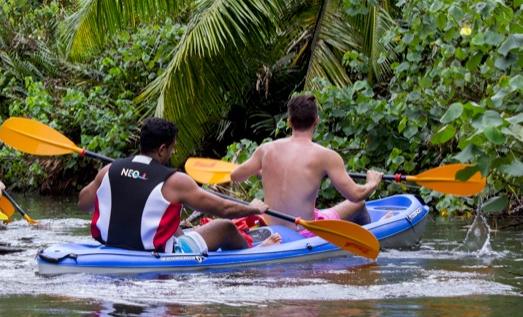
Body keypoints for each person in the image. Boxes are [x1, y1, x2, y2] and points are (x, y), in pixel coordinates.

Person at [78, 118, 278, 254]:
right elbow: (224, 209)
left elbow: (83, 203)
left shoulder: (109, 171)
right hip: (158, 254)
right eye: (172, 148)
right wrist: (254, 208)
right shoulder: (175, 182)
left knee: (172, 222)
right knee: (225, 227)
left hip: (113, 247)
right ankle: (254, 254)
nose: (173, 153)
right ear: (162, 148)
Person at [230, 94, 384, 228]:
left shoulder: (265, 150)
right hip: (303, 231)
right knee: (359, 204)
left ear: (289, 122)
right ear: (316, 121)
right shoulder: (326, 156)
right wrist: (372, 182)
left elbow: (236, 175)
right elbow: (356, 195)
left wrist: (262, 171)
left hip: (269, 226)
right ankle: (375, 230)